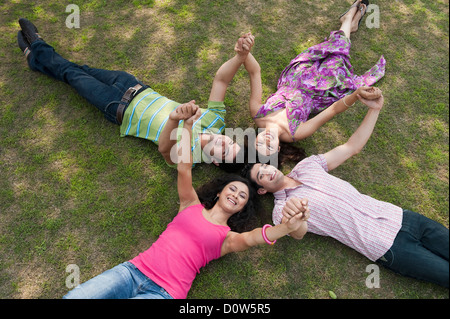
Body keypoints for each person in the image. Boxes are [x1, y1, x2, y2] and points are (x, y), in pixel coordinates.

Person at [63, 106, 309, 299]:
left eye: (242, 196)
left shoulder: (228, 238)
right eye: (232, 189)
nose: (235, 195)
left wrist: (287, 227)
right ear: (219, 192)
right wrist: (188, 126)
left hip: (164, 293)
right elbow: (183, 167)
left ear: (242, 208)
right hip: (132, 271)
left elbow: (257, 237)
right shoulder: (190, 204)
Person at [243, 89, 449, 288]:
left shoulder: (306, 166)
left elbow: (351, 147)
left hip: (402, 217)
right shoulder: (282, 209)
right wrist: (298, 219)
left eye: (264, 166)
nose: (267, 171)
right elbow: (297, 233)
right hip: (387, 246)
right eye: (261, 176)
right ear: (262, 190)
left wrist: (374, 109)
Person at [17, 18, 255, 170]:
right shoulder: (216, 121)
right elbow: (222, 81)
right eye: (230, 142)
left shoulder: (189, 158)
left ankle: (36, 44)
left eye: (223, 151)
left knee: (72, 74)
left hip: (116, 107)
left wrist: (176, 118)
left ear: (215, 160)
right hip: (133, 85)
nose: (223, 141)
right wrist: (239, 58)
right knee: (82, 69)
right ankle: (35, 60)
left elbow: (164, 149)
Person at [242, 0, 385, 161]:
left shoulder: (257, 113)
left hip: (296, 76)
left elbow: (255, 73)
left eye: (259, 144)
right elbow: (333, 111)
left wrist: (244, 52)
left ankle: (349, 24)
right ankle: (348, 21)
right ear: (278, 148)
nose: (266, 141)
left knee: (326, 52)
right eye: (269, 148)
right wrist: (356, 94)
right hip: (320, 90)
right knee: (336, 59)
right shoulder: (295, 133)